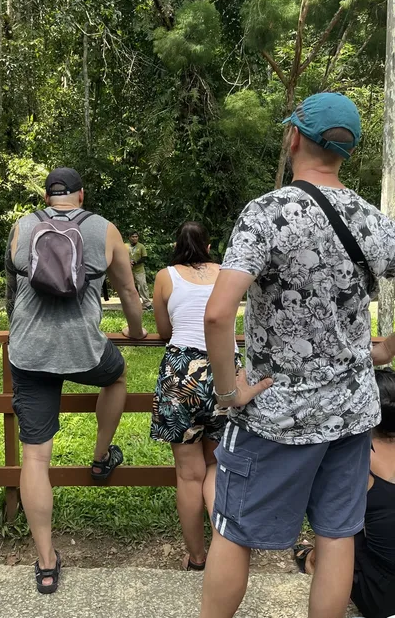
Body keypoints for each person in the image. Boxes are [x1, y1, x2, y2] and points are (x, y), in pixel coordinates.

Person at [199, 92, 395, 618]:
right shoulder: (374, 221)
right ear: (346, 151)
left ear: (293, 138)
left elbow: (218, 314)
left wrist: (229, 391)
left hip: (275, 413)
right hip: (352, 412)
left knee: (233, 532)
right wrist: (390, 346)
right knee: (337, 535)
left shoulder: (267, 213)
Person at [5, 167, 147, 594]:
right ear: (81, 195)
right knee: (117, 376)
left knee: (35, 458)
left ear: (47, 196)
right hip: (85, 350)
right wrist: (137, 334)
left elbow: (13, 291)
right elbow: (127, 293)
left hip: (28, 353)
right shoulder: (104, 230)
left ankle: (46, 564)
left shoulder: (23, 227)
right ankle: (102, 456)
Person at [150, 222, 239, 571]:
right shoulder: (226, 273)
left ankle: (197, 557)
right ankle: (225, 552)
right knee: (216, 465)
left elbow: (163, 330)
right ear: (209, 245)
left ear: (176, 244)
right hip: (223, 369)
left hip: (181, 371)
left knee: (188, 475)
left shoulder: (164, 276)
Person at [293, 368, 395, 618]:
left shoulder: (359, 455)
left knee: (342, 526)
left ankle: (310, 560)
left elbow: (335, 522)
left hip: (384, 598)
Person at [128, 231, 152, 310]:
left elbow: (144, 257)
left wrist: (135, 263)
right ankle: (130, 303)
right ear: (129, 237)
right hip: (128, 270)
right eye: (133, 236)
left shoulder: (141, 246)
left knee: (142, 286)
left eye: (136, 237)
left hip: (139, 270)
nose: (135, 238)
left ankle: (147, 303)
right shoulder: (125, 246)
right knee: (128, 287)